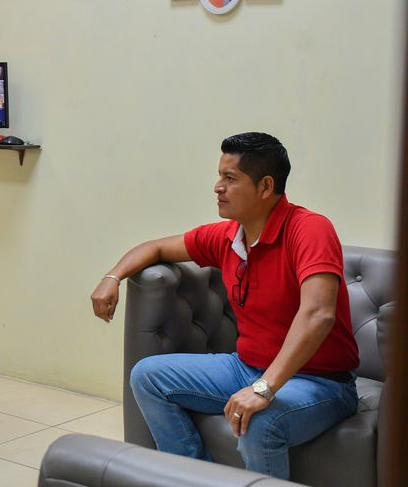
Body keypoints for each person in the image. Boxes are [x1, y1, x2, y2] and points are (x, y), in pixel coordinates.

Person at [90, 133, 359, 481]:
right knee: (147, 376)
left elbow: (319, 314)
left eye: (230, 178)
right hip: (246, 367)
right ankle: (195, 478)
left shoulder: (309, 229)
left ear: (265, 186)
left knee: (259, 422)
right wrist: (112, 277)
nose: (218, 187)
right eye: (220, 176)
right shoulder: (228, 236)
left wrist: (264, 388)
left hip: (321, 382)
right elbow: (155, 248)